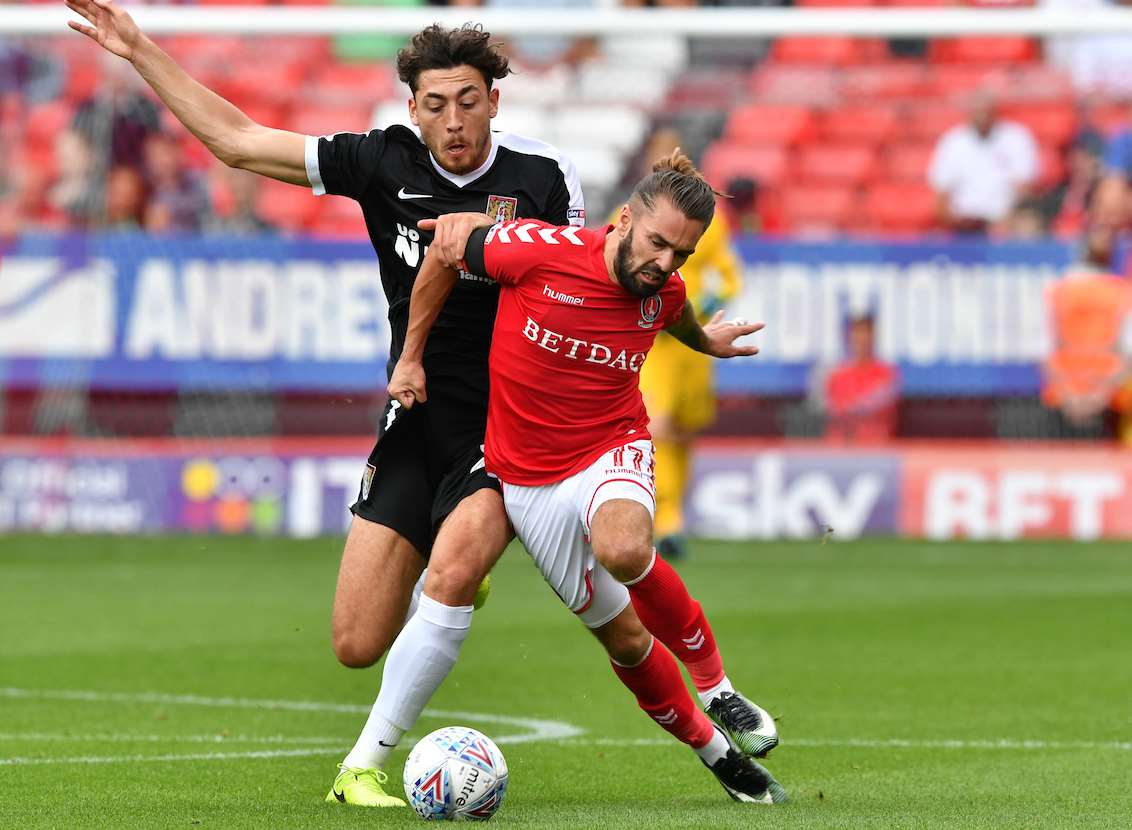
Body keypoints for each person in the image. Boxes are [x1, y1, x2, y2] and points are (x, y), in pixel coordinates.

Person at [66, 0, 585, 808]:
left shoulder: (545, 178)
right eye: (436, 104)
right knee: (354, 642)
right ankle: (460, 551)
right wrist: (138, 50)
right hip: (415, 415)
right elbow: (236, 143)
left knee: (462, 555)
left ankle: (362, 766)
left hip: (508, 423)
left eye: (469, 101)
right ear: (412, 107)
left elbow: (583, 290)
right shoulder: (383, 162)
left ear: (495, 99)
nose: (454, 121)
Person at [388, 151, 786, 804]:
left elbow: (677, 315)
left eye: (680, 254)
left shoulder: (666, 290)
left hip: (611, 446)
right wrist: (411, 355)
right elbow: (448, 253)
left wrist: (705, 342)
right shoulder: (539, 253)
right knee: (627, 642)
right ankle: (716, 755)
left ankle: (720, 691)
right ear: (624, 218)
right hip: (527, 482)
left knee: (625, 548)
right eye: (657, 242)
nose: (664, 263)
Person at [615, 128, 743, 560]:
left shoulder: (711, 223)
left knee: (685, 429)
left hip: (695, 340)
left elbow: (728, 276)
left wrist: (704, 304)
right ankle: (665, 518)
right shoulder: (629, 214)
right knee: (659, 425)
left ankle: (674, 514)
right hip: (655, 345)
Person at [1042, 225, 1132, 437]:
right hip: (1108, 403)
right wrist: (1100, 395)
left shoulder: (1057, 291)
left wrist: (1068, 395)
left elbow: (1042, 351)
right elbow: (1128, 353)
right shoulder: (1122, 292)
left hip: (1062, 400)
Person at [928, 89, 1038, 235]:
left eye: (986, 111)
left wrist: (1006, 220)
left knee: (1028, 225)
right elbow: (942, 193)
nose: (982, 116)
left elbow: (1024, 188)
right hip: (964, 224)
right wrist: (954, 222)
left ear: (995, 111)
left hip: (1004, 221)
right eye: (977, 111)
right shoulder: (953, 142)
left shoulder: (1016, 137)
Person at [818, 314, 899, 444]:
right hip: (839, 448)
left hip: (874, 446)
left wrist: (851, 410)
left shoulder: (886, 373)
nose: (861, 339)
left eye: (865, 333)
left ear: (873, 337)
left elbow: (877, 402)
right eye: (857, 333)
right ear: (849, 337)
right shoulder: (837, 376)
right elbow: (829, 409)